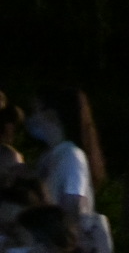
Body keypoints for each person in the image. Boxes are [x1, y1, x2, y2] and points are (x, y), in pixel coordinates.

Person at [27, 88, 105, 221]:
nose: (31, 117)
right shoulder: (48, 155)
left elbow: (74, 209)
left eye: (35, 110)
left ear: (51, 114)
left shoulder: (71, 156)